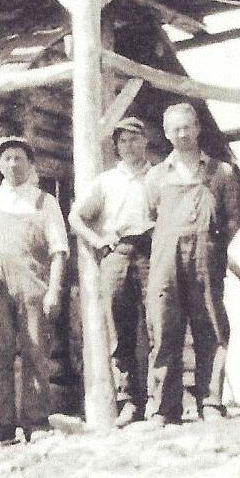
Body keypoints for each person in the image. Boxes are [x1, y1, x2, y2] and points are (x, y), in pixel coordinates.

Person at [144, 103, 240, 425]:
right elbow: (150, 217)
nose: (183, 134)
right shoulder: (156, 176)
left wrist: (211, 245)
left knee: (210, 327)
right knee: (164, 328)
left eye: (188, 127)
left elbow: (233, 218)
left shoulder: (221, 172)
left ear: (198, 128)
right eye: (176, 129)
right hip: (166, 261)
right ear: (168, 134)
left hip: (205, 259)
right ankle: (163, 407)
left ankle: (210, 402)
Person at [0, 135, 69, 441]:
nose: (13, 164)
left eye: (19, 158)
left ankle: (36, 422)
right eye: (7, 158)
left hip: (33, 289)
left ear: (30, 164)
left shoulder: (43, 202)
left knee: (35, 352)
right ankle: (1, 424)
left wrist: (53, 290)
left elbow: (59, 250)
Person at [67, 116, 153, 426]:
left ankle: (157, 399)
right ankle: (127, 400)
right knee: (120, 327)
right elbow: (76, 218)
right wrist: (98, 241)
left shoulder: (156, 176)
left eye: (134, 138)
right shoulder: (107, 181)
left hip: (152, 252)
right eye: (123, 140)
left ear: (145, 141)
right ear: (116, 146)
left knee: (156, 323)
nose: (129, 145)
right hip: (117, 254)